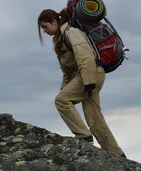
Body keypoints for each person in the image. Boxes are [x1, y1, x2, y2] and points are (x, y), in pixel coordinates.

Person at [37, 8, 126, 158]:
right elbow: (67, 71)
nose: (44, 31)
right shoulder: (60, 38)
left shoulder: (71, 32)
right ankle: (117, 154)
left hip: (90, 74)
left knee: (61, 101)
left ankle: (83, 135)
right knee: (95, 119)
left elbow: (84, 56)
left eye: (45, 26)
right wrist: (66, 87)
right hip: (90, 74)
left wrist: (88, 82)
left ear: (54, 21)